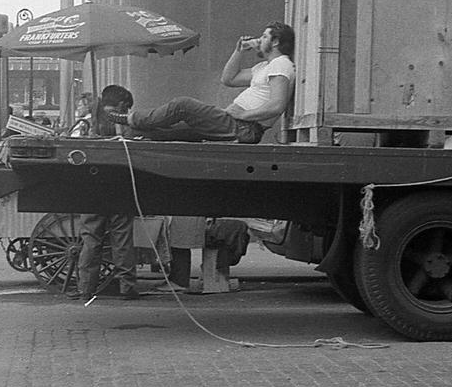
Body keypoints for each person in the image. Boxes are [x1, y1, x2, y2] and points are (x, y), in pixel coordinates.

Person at [117, 23, 296, 143]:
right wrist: (239, 51)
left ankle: (131, 118)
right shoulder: (265, 66)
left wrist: (244, 115)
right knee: (175, 130)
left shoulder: (281, 64)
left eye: (265, 36)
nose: (260, 39)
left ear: (276, 41)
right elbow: (228, 79)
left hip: (244, 126)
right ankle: (129, 133)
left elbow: (277, 105)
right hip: (235, 122)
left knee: (183, 105)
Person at [69, 85, 140, 301]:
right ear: (120, 105)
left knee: (90, 240)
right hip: (120, 186)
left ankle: (86, 289)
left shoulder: (88, 123)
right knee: (122, 239)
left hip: (91, 189)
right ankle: (127, 287)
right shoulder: (126, 126)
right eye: (126, 107)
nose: (127, 112)